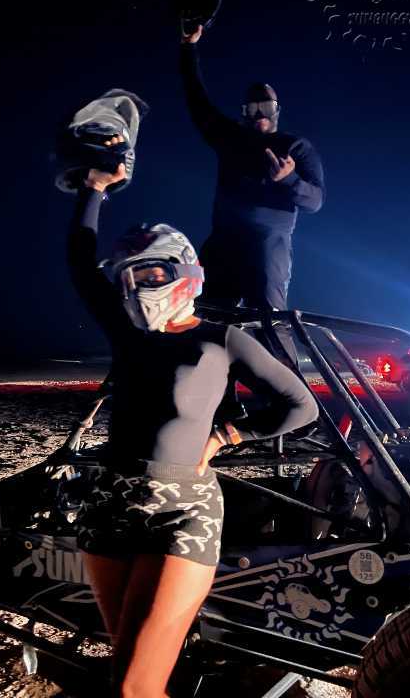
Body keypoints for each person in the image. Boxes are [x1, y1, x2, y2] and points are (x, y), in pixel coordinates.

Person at [67, 140, 319, 698]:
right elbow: (81, 265)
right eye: (130, 276)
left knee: (132, 687)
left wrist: (228, 435)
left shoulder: (221, 340)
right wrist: (93, 190)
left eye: (153, 271)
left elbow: (301, 405)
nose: (140, 286)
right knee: (130, 669)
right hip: (109, 504)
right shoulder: (128, 333)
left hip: (184, 513)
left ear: (185, 272)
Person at [179, 24, 325, 365]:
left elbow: (315, 201)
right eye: (253, 107)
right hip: (223, 242)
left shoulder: (296, 147)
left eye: (266, 107)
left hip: (268, 245)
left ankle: (292, 394)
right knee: (209, 318)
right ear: (243, 111)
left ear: (277, 110)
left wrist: (289, 180)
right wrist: (188, 48)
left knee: (271, 321)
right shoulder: (231, 138)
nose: (259, 113)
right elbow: (197, 103)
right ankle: (217, 392)